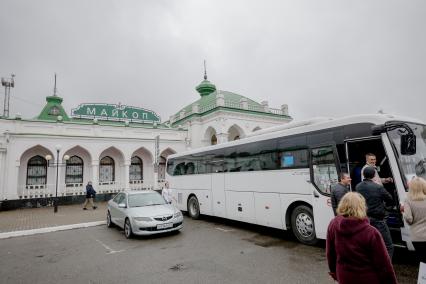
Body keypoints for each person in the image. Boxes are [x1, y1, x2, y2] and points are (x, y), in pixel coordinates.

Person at [326, 192, 398, 284]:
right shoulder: (371, 232)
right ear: (362, 206)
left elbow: (330, 253)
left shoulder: (333, 224)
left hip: (344, 276)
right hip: (367, 278)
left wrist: (334, 272)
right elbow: (383, 264)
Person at [356, 166, 394, 258]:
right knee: (388, 245)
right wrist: (386, 208)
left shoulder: (358, 187)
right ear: (374, 175)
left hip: (363, 219)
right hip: (378, 220)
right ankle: (386, 266)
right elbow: (390, 199)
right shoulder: (378, 187)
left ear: (363, 175)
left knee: (367, 244)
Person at [401, 177, 426, 263]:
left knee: (423, 261)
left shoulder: (408, 201)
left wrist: (403, 212)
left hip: (417, 237)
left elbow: (409, 219)